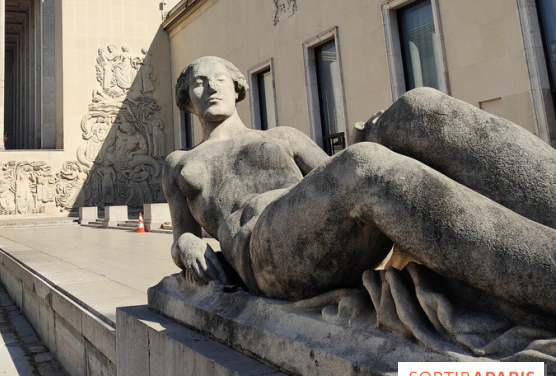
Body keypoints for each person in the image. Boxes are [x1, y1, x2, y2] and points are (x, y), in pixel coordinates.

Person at [163, 56, 556, 317]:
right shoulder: (181, 162)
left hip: (308, 223)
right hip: (260, 252)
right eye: (199, 83)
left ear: (237, 88)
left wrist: (372, 134)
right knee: (363, 164)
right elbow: (181, 234)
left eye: (219, 79)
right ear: (186, 99)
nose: (211, 88)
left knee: (415, 109)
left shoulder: (283, 135)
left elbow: (330, 177)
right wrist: (187, 245)